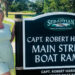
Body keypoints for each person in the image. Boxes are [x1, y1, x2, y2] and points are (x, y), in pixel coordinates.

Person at [0, 9, 15, 75]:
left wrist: (14, 30)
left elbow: (10, 40)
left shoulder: (7, 26)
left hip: (8, 56)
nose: (1, 18)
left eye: (2, 16)